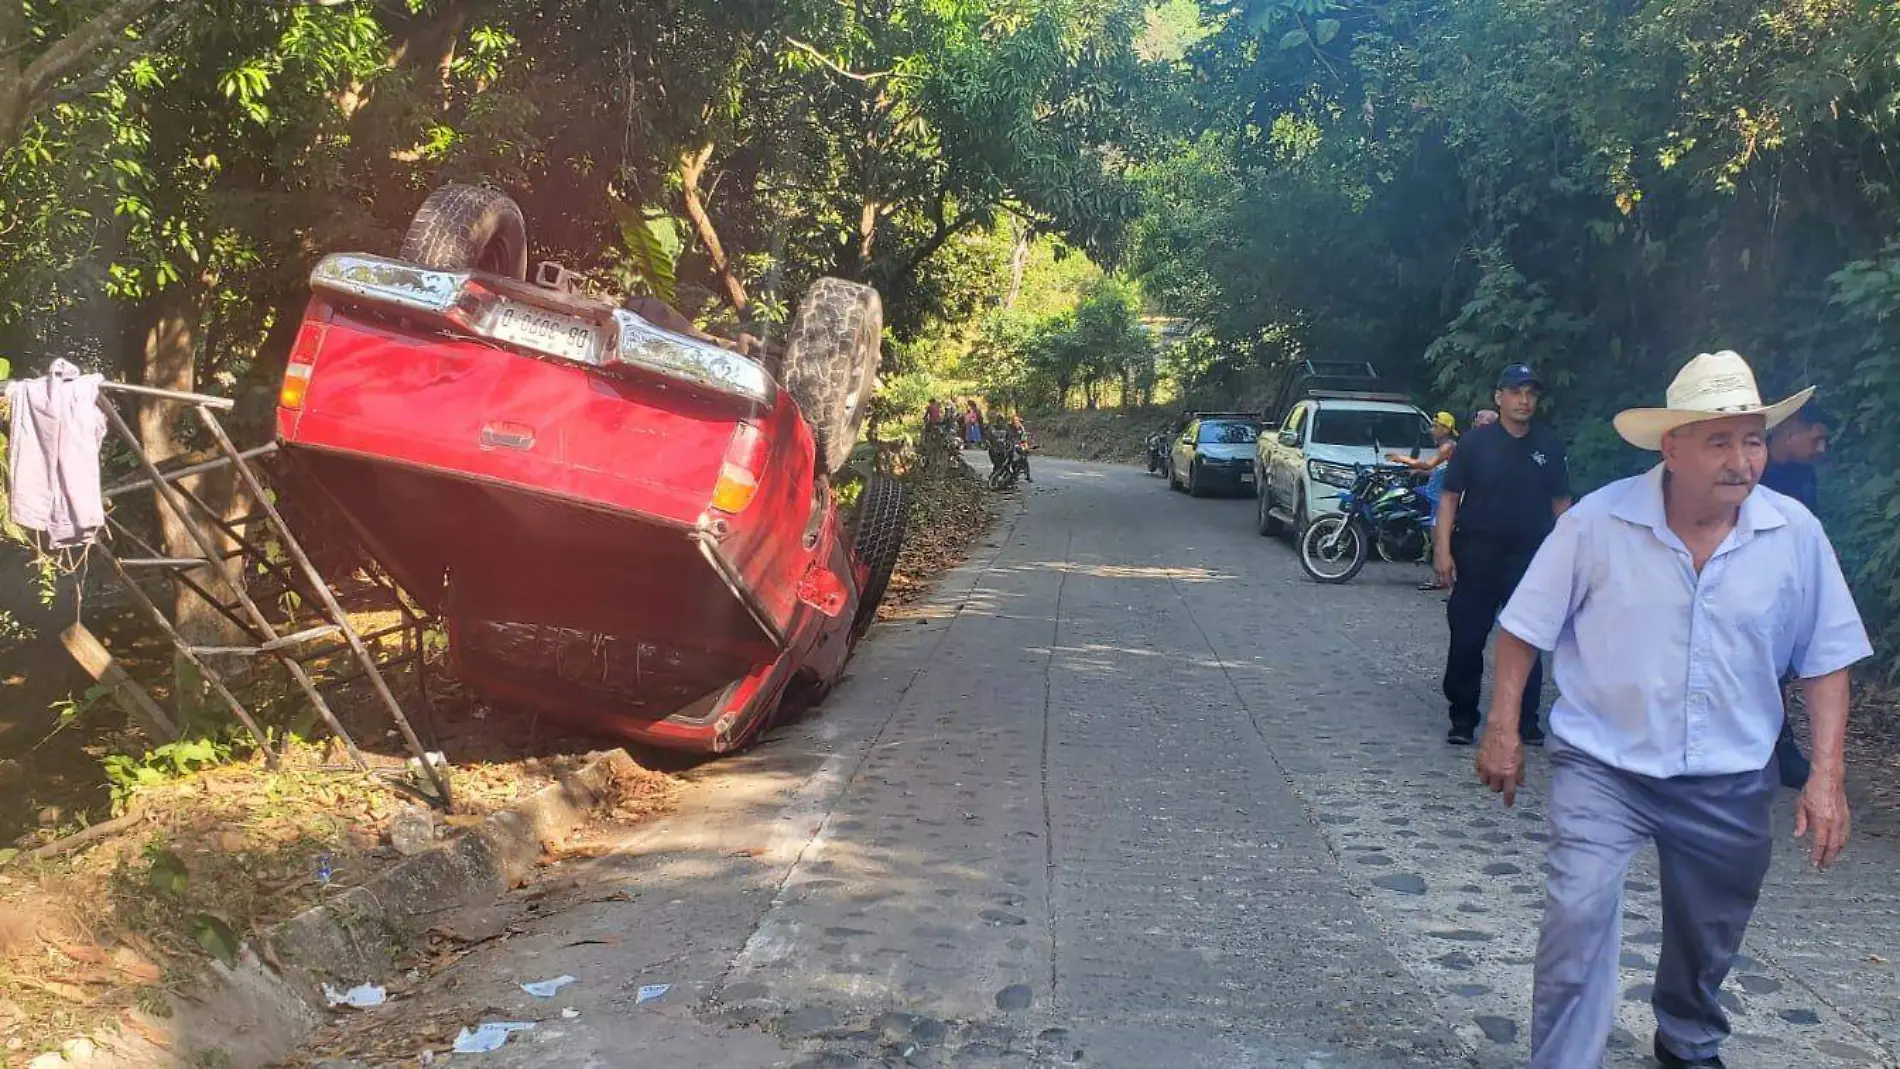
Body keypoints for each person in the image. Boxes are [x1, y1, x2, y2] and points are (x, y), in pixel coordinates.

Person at [1475, 349, 1869, 1069]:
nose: (1742, 460)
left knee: (1708, 930)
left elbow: (1828, 656)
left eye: (1752, 439)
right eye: (1719, 440)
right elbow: (1524, 626)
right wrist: (1502, 726)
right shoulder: (1598, 523)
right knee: (1578, 916)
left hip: (1729, 775)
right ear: (1672, 447)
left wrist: (1827, 776)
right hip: (1605, 766)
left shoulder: (1795, 536)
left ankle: (1686, 1033)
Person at [1434, 366, 1572, 746]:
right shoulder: (1475, 445)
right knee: (1467, 637)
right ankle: (1462, 718)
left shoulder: (1549, 445)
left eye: (1530, 393)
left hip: (1531, 556)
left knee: (1527, 638)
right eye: (1515, 392)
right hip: (1477, 552)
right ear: (1499, 397)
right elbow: (1448, 499)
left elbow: (1562, 504)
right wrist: (1442, 551)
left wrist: (1568, 558)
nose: (1524, 400)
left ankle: (1524, 721)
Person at [1759, 398, 1834, 791]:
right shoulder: (1751, 471)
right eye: (1816, 438)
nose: (1821, 449)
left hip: (1789, 580)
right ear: (1789, 433)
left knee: (1781, 669)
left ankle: (1778, 746)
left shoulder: (1804, 475)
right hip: (1749, 579)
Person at [1390, 412, 1459, 591]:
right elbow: (1438, 471)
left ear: (1445, 429)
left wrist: (1402, 459)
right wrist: (1419, 473)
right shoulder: (1445, 447)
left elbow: (1429, 464)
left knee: (1440, 542)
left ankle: (1447, 582)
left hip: (1440, 501)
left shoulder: (1448, 447)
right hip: (1433, 495)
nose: (1432, 430)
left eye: (1436, 427)